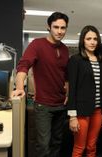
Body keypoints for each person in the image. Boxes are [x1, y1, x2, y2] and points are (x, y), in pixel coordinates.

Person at [11, 12, 69, 157]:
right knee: (43, 145)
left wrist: (68, 93)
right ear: (48, 27)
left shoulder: (65, 49)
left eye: (63, 28)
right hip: (43, 105)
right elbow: (23, 66)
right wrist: (19, 87)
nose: (60, 31)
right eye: (56, 27)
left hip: (61, 104)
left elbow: (66, 76)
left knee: (57, 143)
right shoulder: (37, 44)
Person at [67, 25, 102, 157]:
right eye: (88, 39)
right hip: (81, 112)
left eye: (95, 39)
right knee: (80, 147)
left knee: (92, 146)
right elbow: (72, 88)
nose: (92, 42)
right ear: (83, 41)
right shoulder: (76, 60)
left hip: (98, 111)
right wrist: (72, 116)